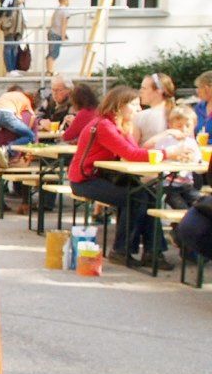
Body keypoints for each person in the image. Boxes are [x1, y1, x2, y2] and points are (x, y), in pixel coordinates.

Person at [68, 85, 172, 269]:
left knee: (149, 195)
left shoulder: (120, 125)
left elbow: (134, 151)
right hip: (84, 180)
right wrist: (168, 153)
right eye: (134, 105)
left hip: (102, 177)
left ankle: (152, 252)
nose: (139, 109)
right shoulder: (104, 125)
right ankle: (121, 250)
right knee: (136, 197)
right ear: (120, 106)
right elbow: (131, 154)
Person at [142, 103, 202, 209]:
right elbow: (147, 148)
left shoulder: (192, 143)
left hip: (187, 185)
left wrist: (192, 159)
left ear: (194, 125)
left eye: (188, 126)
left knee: (202, 203)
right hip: (168, 186)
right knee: (182, 208)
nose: (183, 129)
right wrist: (171, 154)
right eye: (179, 126)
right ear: (170, 125)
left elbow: (198, 166)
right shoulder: (165, 141)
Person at [0, 85, 36, 166]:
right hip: (7, 115)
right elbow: (32, 115)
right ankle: (6, 149)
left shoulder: (5, 95)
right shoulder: (25, 99)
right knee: (30, 136)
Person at [131, 72, 175, 147]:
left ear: (159, 91)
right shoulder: (180, 113)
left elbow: (132, 147)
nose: (140, 91)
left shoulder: (140, 116)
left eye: (144, 88)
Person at [0, 0, 26, 76]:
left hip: (19, 16)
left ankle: (14, 69)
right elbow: (3, 0)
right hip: (9, 16)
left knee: (16, 44)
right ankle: (9, 70)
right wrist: (16, 0)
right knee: (9, 43)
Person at [46, 0, 71, 73]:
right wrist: (63, 36)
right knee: (54, 53)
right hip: (56, 33)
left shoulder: (57, 9)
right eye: (69, 0)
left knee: (52, 52)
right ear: (66, 0)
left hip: (52, 32)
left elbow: (53, 21)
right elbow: (64, 25)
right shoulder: (65, 11)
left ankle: (50, 70)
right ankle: (50, 71)